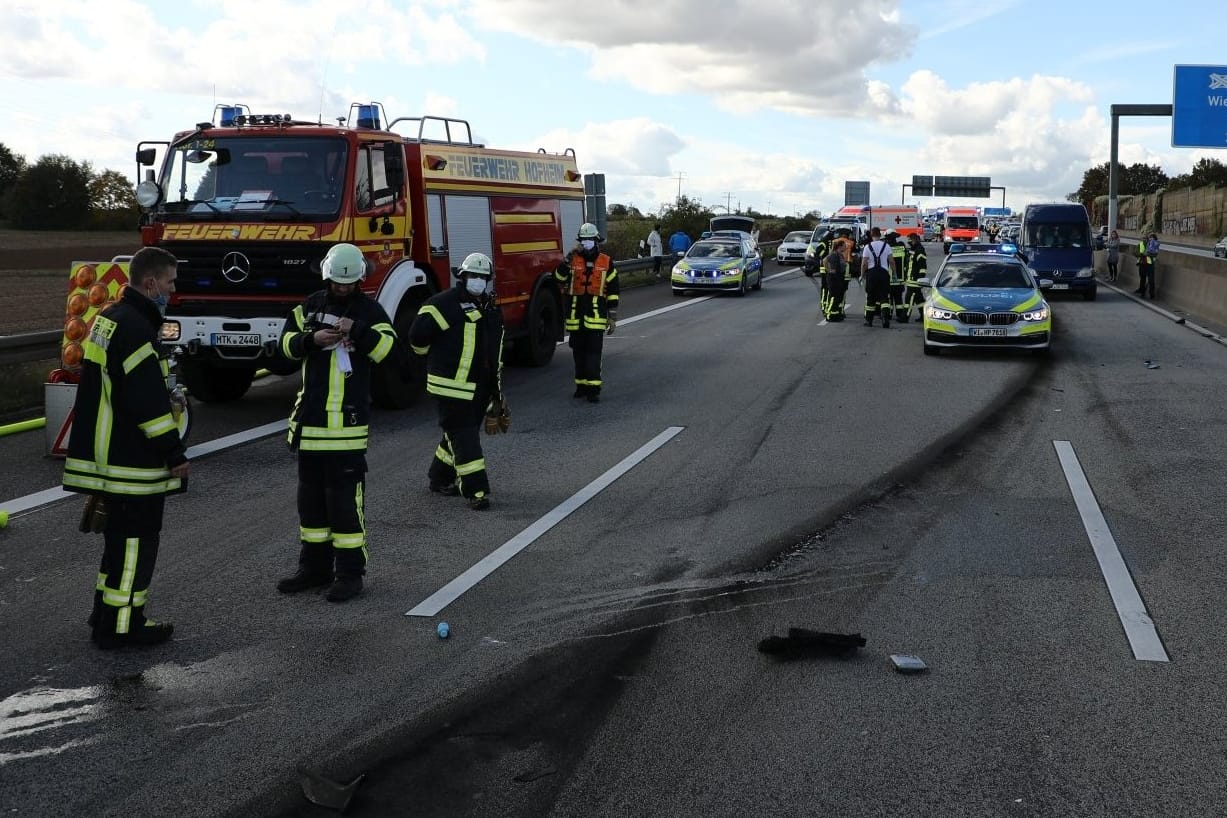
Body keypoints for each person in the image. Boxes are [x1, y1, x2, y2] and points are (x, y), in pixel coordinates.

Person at [63, 246, 190, 649]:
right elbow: (147, 404)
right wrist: (174, 452)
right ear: (150, 282)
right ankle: (122, 627)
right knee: (136, 544)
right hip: (131, 459)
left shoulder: (108, 319)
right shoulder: (136, 329)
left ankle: (104, 612)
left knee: (117, 542)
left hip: (106, 454)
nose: (172, 290)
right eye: (169, 283)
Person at [276, 243, 397, 602]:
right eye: (337, 284)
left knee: (345, 505)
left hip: (347, 428)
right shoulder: (309, 307)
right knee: (310, 505)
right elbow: (282, 348)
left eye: (349, 284)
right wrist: (309, 340)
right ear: (327, 276)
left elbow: (389, 352)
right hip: (310, 425)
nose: (342, 290)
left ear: (360, 278)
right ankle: (313, 570)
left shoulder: (370, 311)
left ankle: (349, 574)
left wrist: (358, 330)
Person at [410, 252, 505, 511]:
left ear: (488, 280)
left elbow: (493, 351)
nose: (477, 280)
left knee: (459, 434)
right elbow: (417, 337)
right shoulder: (443, 303)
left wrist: (496, 392)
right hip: (449, 387)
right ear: (462, 277)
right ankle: (476, 490)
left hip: (479, 387)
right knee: (465, 439)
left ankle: (439, 477)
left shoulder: (490, 307)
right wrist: (434, 362)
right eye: (472, 276)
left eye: (482, 277)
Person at [555, 222, 620, 402]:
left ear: (596, 240)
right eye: (584, 239)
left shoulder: (606, 262)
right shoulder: (572, 260)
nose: (587, 242)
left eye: (590, 239)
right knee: (578, 354)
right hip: (576, 319)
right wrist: (567, 258)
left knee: (593, 354)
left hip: (596, 317)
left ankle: (593, 389)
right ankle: (581, 386)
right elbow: (558, 278)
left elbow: (613, 289)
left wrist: (612, 316)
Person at [860, 227, 893, 328]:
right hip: (884, 273)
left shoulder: (867, 247)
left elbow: (864, 264)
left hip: (871, 274)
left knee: (871, 298)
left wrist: (862, 275)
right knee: (884, 298)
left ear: (871, 235)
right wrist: (894, 274)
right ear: (880, 235)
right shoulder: (886, 246)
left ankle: (869, 321)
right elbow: (891, 261)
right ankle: (885, 319)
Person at [898, 233, 928, 322]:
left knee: (909, 299)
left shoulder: (920, 250)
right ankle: (924, 316)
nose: (909, 242)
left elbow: (923, 266)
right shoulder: (913, 249)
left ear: (914, 239)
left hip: (915, 280)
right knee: (919, 300)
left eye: (910, 240)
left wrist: (920, 278)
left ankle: (905, 317)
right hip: (911, 279)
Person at [1135, 232, 1159, 298]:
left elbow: (1155, 253)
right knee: (1142, 279)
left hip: (1150, 264)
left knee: (1151, 280)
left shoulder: (1152, 244)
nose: (1144, 239)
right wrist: (1142, 254)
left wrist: (1149, 254)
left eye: (1146, 238)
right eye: (1143, 238)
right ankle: (1142, 293)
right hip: (1142, 264)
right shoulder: (1140, 245)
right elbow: (1136, 253)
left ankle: (1152, 294)